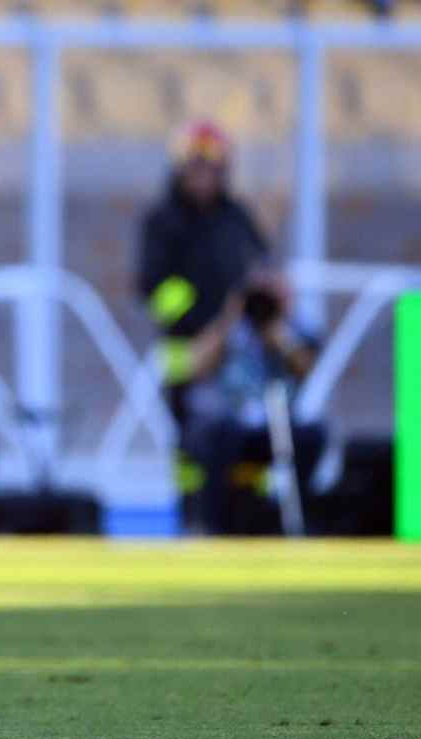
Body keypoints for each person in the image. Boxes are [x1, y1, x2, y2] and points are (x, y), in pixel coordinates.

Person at [137, 120, 322, 534]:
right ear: (181, 168)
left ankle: (267, 520)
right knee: (199, 444)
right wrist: (209, 313)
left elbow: (261, 265)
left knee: (283, 436)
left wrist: (264, 299)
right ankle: (199, 521)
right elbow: (156, 292)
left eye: (214, 167)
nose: (205, 176)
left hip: (244, 347)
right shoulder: (163, 221)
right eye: (197, 166)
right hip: (191, 347)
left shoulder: (236, 217)